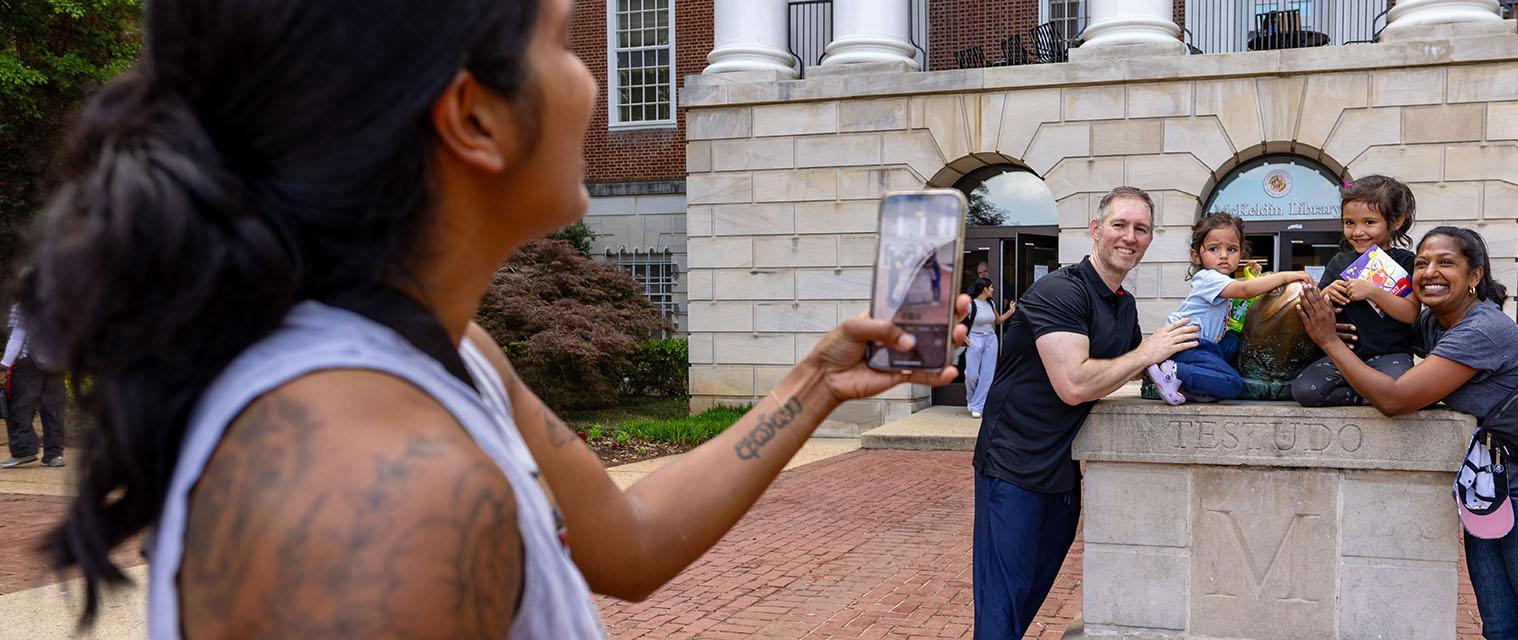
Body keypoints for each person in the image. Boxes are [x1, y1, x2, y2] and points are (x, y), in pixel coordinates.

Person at [21, 1, 973, 635]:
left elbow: (629, 541)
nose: (589, 81)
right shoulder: (374, 496)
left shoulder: (448, 351)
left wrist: (816, 385)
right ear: (473, 116)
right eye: (561, 42)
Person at [1298, 226, 1518, 640]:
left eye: (1446, 262)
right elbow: (1389, 330)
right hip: (1491, 491)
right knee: (1503, 627)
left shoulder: (1481, 329)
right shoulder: (1438, 323)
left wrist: (1328, 339)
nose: (1429, 272)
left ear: (1475, 275)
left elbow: (1396, 398)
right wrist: (1343, 307)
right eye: (1421, 263)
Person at [972, 186, 1199, 640]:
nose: (1129, 236)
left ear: (1150, 240)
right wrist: (1147, 351)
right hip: (1012, 467)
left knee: (1029, 596)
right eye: (1120, 225)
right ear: (1096, 230)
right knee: (1002, 604)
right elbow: (1075, 384)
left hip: (1062, 469)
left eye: (1141, 229)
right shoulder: (1060, 290)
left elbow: (1117, 374)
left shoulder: (1123, 304)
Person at [1145, 211, 1310, 404]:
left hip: (1204, 344)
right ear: (1196, 255)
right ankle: (1173, 371)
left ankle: (1191, 381)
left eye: (1231, 250)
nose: (1223, 255)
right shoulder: (1208, 278)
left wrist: (1254, 274)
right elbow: (1245, 290)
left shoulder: (1221, 281)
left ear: (1241, 253)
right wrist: (1285, 276)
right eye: (1214, 249)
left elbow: (1244, 288)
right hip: (1186, 346)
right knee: (1233, 383)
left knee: (1234, 339)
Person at [1292, 176, 1420, 407]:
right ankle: (1364, 396)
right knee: (1304, 390)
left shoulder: (1406, 262)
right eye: (1349, 223)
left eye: (1369, 222)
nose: (1358, 232)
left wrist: (1373, 291)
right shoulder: (1339, 262)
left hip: (1390, 356)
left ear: (1397, 221)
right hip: (1345, 355)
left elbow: (1410, 313)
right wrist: (1326, 295)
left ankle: (1375, 392)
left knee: (1400, 385)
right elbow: (1316, 311)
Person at [2, 303, 66, 468]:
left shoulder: (23, 303)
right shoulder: (62, 300)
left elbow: (17, 337)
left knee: (20, 406)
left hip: (29, 362)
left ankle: (24, 450)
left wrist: (4, 364)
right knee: (53, 408)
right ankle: (54, 455)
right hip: (56, 361)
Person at [963, 278, 1015, 419]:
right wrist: (963, 336)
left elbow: (997, 321)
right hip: (975, 339)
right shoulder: (970, 305)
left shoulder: (991, 303)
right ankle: (971, 399)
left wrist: (1010, 312)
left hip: (991, 339)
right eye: (991, 287)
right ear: (984, 289)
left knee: (987, 376)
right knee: (971, 375)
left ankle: (978, 407)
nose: (993, 290)